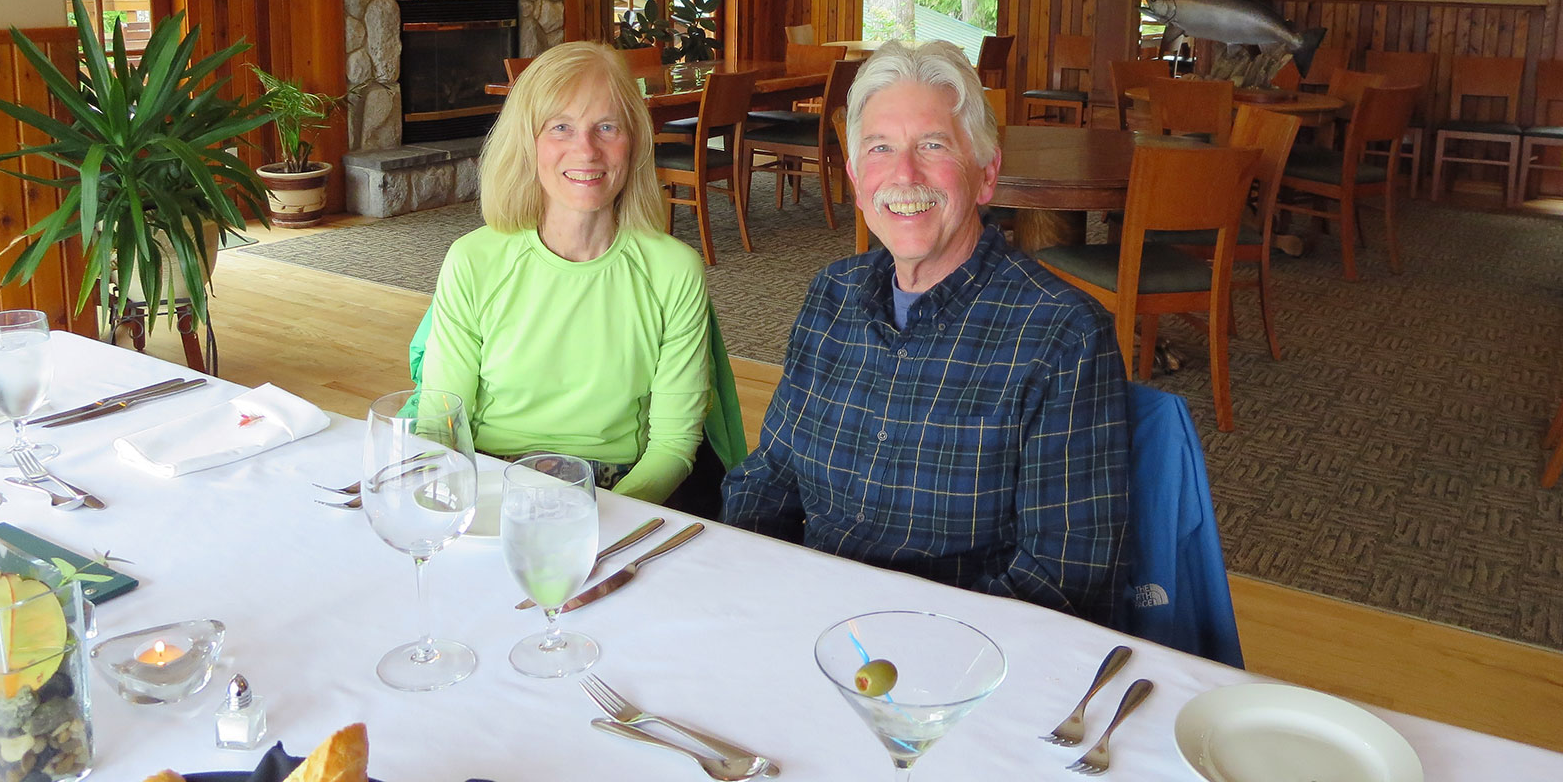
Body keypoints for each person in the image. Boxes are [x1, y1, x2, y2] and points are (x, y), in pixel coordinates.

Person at [722, 40, 1129, 624]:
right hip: (806, 621)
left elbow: (1062, 576)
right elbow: (771, 475)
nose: (904, 174)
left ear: (986, 174)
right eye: (880, 148)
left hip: (956, 653)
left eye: (933, 145)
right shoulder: (831, 295)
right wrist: (743, 584)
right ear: (857, 180)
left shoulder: (1062, 335)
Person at [418, 41, 712, 505]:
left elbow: (673, 446)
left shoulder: (674, 270)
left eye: (607, 127)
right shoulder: (472, 259)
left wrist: (600, 517)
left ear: (634, 142)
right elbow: (440, 423)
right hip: (491, 478)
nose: (586, 149)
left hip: (617, 490)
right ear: (527, 144)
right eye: (561, 127)